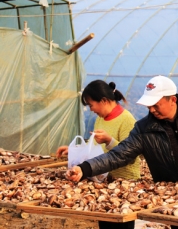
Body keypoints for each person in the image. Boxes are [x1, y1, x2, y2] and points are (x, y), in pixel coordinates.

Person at [65, 75, 178, 228]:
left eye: (156, 105)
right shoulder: (143, 129)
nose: (152, 110)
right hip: (174, 198)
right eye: (149, 106)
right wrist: (84, 168)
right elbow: (119, 154)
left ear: (173, 100)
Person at [56, 80, 141, 229]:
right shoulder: (100, 119)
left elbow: (133, 154)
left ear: (103, 101)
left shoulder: (126, 120)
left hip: (125, 183)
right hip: (104, 181)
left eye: (91, 105)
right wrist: (76, 149)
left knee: (121, 223)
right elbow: (94, 146)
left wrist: (109, 140)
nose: (91, 109)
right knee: (105, 221)